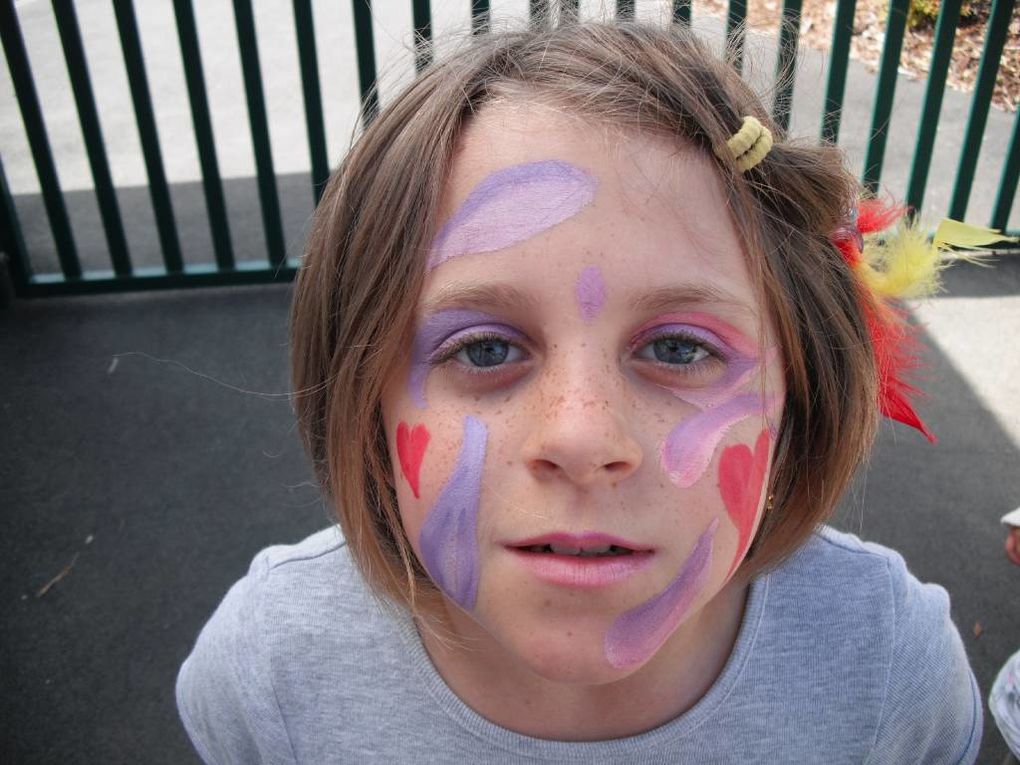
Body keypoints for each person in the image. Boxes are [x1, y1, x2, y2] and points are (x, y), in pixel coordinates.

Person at [176, 19, 983, 763]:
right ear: (365, 403)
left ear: (802, 391)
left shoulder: (887, 667)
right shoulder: (270, 668)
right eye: (484, 347)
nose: (581, 436)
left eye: (678, 347)